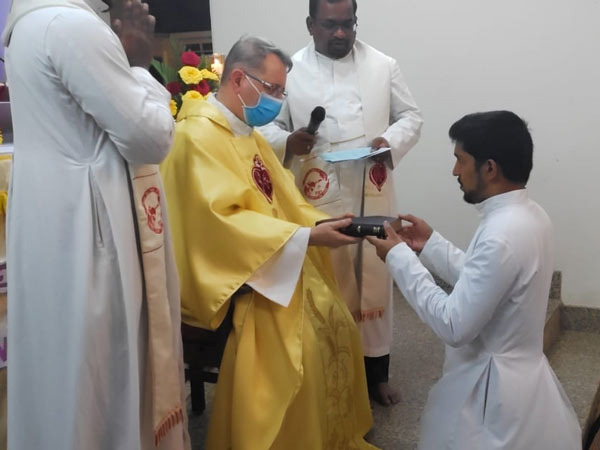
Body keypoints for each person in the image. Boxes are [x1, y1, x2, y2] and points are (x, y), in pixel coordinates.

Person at [160, 36, 378, 450]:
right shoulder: (196, 136)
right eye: (272, 89)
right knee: (304, 346)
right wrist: (307, 236)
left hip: (270, 256)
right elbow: (217, 223)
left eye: (281, 91)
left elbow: (283, 200)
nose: (277, 100)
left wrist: (323, 223)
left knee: (339, 320)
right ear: (238, 79)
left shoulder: (247, 132)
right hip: (233, 272)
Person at [3, 0, 189, 449]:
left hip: (56, 223)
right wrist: (139, 63)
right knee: (105, 374)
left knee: (62, 370)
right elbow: (150, 137)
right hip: (95, 237)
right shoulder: (71, 26)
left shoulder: (28, 22)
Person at [367, 111, 581, 449]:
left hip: (491, 399)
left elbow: (455, 324)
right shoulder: (530, 216)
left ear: (489, 168)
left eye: (460, 159)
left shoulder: (500, 233)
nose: (455, 171)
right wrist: (431, 245)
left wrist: (398, 258)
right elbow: (486, 280)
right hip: (524, 382)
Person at [259, 0, 423, 405]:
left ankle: (377, 373)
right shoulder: (290, 71)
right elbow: (267, 128)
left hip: (371, 182)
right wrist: (289, 141)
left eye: (348, 24)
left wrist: (390, 141)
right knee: (330, 277)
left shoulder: (383, 65)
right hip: (318, 189)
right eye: (330, 25)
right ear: (310, 24)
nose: (340, 33)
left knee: (375, 274)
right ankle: (332, 371)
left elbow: (411, 117)